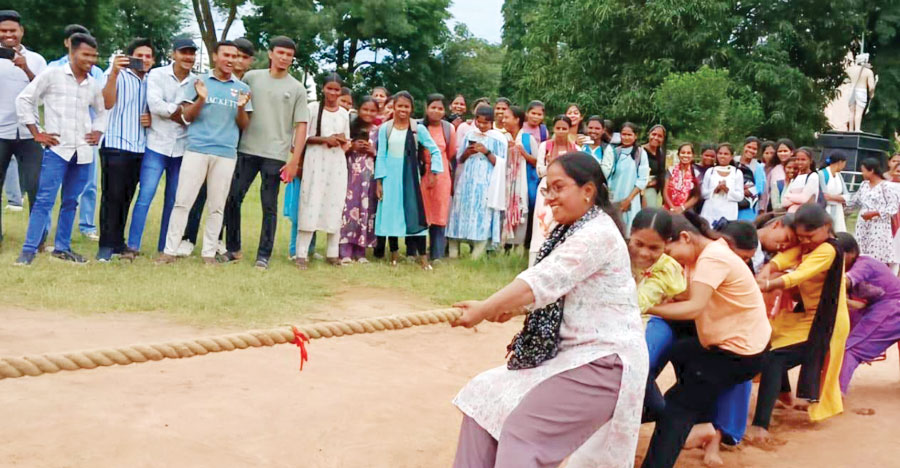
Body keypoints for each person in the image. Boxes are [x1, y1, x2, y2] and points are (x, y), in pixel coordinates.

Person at [451, 152, 647, 468]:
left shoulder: (598, 234)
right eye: (547, 189)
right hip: (573, 357)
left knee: (523, 433)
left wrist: (486, 308)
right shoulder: (570, 230)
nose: (551, 197)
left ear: (588, 190)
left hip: (604, 361)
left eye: (558, 187)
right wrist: (513, 308)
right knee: (483, 398)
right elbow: (557, 289)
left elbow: (543, 279)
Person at [640, 212, 771, 468]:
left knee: (676, 408)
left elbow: (693, 307)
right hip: (734, 343)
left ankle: (667, 445)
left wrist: (645, 307)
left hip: (739, 354)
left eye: (667, 250)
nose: (666, 258)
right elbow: (688, 293)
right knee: (679, 352)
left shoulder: (712, 258)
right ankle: (700, 422)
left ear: (685, 238)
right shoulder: (701, 255)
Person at [750, 204, 850, 443]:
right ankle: (784, 396)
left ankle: (761, 425)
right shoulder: (808, 245)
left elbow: (799, 274)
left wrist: (766, 284)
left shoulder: (828, 250)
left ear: (826, 228)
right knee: (768, 340)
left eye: (809, 236)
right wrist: (769, 268)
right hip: (807, 317)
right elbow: (786, 258)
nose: (805, 241)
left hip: (826, 323)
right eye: (801, 237)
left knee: (775, 358)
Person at [14, 33, 107, 265]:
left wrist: (98, 131)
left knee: (71, 201)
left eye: (94, 56)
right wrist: (37, 133)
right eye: (86, 54)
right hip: (58, 149)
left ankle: (62, 248)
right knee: (45, 199)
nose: (91, 60)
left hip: (83, 151)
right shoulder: (53, 75)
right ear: (72, 53)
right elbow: (24, 99)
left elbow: (103, 111)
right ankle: (28, 251)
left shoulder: (92, 83)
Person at [156, 41, 252, 265]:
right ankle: (169, 250)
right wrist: (201, 98)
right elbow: (186, 117)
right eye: (226, 55)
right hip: (197, 149)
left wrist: (240, 107)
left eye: (235, 56)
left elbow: (244, 124)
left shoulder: (242, 89)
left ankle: (209, 253)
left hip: (226, 153)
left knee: (217, 206)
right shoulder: (199, 82)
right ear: (215, 56)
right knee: (183, 202)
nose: (231, 60)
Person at [221, 37, 308, 270]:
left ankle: (263, 255)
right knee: (232, 198)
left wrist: (294, 161)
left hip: (276, 154)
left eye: (289, 55)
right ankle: (233, 248)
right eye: (280, 53)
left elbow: (301, 126)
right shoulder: (252, 78)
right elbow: (237, 108)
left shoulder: (297, 88)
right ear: (270, 54)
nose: (284, 58)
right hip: (247, 149)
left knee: (269, 205)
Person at [126, 37, 197, 255]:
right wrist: (180, 111)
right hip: (156, 144)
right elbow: (155, 106)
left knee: (174, 201)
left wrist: (181, 113)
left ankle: (165, 247)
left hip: (182, 148)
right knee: (145, 195)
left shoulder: (197, 82)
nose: (188, 57)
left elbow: (194, 115)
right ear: (173, 54)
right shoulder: (157, 74)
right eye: (183, 52)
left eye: (191, 53)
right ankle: (133, 245)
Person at [95, 38, 154, 262]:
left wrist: (151, 119)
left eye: (148, 56)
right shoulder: (119, 75)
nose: (144, 60)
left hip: (140, 147)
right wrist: (113, 73)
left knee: (127, 197)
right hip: (116, 144)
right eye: (139, 56)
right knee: (112, 196)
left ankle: (118, 242)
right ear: (130, 57)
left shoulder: (151, 80)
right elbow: (107, 102)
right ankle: (105, 245)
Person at [373, 91, 443, 268]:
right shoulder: (385, 128)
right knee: (390, 215)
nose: (402, 109)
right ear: (394, 107)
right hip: (390, 176)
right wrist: (379, 181)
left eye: (406, 106)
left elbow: (434, 150)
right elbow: (381, 155)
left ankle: (423, 258)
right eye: (399, 106)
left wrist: (434, 172)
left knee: (415, 214)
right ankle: (394, 253)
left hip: (410, 177)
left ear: (411, 109)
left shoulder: (417, 129)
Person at [47, 24, 104, 241]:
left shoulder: (95, 70)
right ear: (67, 44)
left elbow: (101, 105)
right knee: (53, 185)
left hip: (86, 137)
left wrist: (98, 130)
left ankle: (87, 225)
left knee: (89, 183)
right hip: (60, 136)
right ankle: (49, 227)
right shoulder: (54, 67)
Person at [293, 73, 349, 269]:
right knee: (311, 202)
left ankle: (332, 253)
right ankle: (301, 254)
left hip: (336, 163)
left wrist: (341, 140)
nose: (332, 93)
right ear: (323, 88)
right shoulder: (312, 109)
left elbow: (346, 141)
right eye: (329, 88)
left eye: (336, 89)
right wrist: (325, 139)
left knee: (334, 203)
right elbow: (301, 137)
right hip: (315, 161)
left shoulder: (343, 113)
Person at [0, 9, 46, 245]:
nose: (8, 35)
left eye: (12, 30)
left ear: (21, 32)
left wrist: (25, 68)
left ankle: (37, 239)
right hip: (0, 132)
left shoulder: (37, 60)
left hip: (30, 134)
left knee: (36, 186)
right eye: (3, 30)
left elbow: (43, 96)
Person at [835, 232, 900, 393]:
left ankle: (836, 394)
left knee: (850, 348)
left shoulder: (863, 264)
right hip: (881, 308)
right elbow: (857, 305)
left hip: (892, 309)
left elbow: (846, 281)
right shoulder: (855, 266)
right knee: (842, 337)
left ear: (850, 253)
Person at [447, 106, 507, 260]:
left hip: (486, 181)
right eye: (478, 122)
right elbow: (460, 159)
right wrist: (468, 152)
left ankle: (478, 251)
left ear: (491, 122)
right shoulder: (469, 134)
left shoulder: (498, 138)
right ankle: (454, 249)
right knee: (460, 210)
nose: (481, 126)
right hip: (467, 179)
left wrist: (486, 152)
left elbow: (502, 163)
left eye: (485, 123)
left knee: (482, 213)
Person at [529, 115, 577, 265]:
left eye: (564, 129)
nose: (561, 132)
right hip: (547, 187)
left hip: (566, 190)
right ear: (553, 129)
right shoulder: (545, 146)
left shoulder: (576, 149)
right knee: (541, 223)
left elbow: (578, 172)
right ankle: (535, 261)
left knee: (560, 221)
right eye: (558, 128)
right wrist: (551, 165)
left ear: (569, 130)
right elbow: (539, 171)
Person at [338, 96, 378, 263]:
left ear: (378, 112)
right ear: (358, 109)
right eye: (365, 109)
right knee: (348, 210)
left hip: (369, 177)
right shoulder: (348, 128)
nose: (368, 113)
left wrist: (372, 151)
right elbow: (340, 150)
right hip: (350, 175)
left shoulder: (379, 131)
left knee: (366, 211)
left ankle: (361, 251)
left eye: (372, 110)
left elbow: (382, 155)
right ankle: (344, 250)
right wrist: (351, 147)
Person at [420, 94, 455, 261]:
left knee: (439, 214)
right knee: (421, 211)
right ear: (426, 108)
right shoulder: (418, 126)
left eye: (440, 108)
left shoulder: (448, 129)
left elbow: (451, 153)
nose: (436, 111)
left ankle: (437, 254)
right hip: (421, 172)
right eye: (433, 107)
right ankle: (416, 251)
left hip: (442, 175)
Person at [846, 158, 899, 268]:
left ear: (872, 171)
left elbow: (893, 208)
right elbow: (853, 200)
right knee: (862, 252)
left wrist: (875, 213)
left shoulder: (886, 186)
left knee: (876, 254)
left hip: (878, 226)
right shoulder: (864, 185)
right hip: (863, 225)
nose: (862, 174)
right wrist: (835, 199)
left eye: (864, 171)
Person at [601, 122, 649, 234]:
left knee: (629, 230)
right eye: (623, 134)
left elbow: (642, 179)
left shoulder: (640, 153)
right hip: (614, 197)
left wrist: (628, 200)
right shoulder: (614, 152)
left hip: (632, 199)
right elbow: (608, 174)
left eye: (629, 135)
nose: (626, 137)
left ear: (635, 136)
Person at [502, 106, 532, 248]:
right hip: (505, 183)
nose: (503, 120)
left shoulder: (527, 139)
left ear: (517, 120)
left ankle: (518, 247)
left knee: (520, 212)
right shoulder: (502, 138)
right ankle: (504, 246)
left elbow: (537, 161)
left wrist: (523, 153)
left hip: (522, 182)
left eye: (507, 117)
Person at [699, 143, 743, 225]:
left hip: (729, 212)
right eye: (720, 153)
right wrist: (715, 190)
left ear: (731, 156)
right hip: (710, 211)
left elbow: (740, 196)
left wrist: (726, 189)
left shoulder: (737, 173)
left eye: (726, 154)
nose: (722, 156)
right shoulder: (710, 171)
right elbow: (703, 194)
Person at [663, 143, 701, 214]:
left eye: (689, 153)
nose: (685, 155)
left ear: (693, 156)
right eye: (683, 153)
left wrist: (682, 208)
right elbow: (665, 192)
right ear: (678, 155)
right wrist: (673, 208)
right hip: (668, 209)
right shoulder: (671, 170)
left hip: (686, 211)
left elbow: (696, 196)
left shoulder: (696, 173)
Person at [781, 147, 819, 212]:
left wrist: (789, 196)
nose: (799, 162)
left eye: (803, 160)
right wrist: (796, 199)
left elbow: (804, 199)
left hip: (805, 214)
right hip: (791, 213)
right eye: (797, 159)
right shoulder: (795, 177)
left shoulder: (812, 176)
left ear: (810, 161)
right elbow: (783, 202)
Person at [737, 137, 766, 221]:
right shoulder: (734, 161)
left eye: (754, 149)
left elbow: (760, 188)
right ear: (744, 147)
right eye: (749, 147)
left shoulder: (758, 166)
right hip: (732, 201)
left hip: (748, 205)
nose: (751, 150)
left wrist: (746, 191)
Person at [820, 152, 849, 233]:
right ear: (840, 162)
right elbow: (824, 196)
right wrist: (839, 198)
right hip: (825, 210)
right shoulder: (822, 174)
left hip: (838, 211)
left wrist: (832, 197)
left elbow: (847, 196)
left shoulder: (839, 175)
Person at [642, 124, 667, 209]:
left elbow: (661, 174)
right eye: (654, 134)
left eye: (660, 136)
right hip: (640, 190)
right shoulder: (640, 152)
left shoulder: (660, 154)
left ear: (663, 139)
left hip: (653, 190)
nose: (656, 138)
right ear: (649, 134)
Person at [758, 140, 779, 213]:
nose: (769, 155)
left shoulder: (778, 169)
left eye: (772, 153)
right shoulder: (759, 168)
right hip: (760, 205)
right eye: (766, 153)